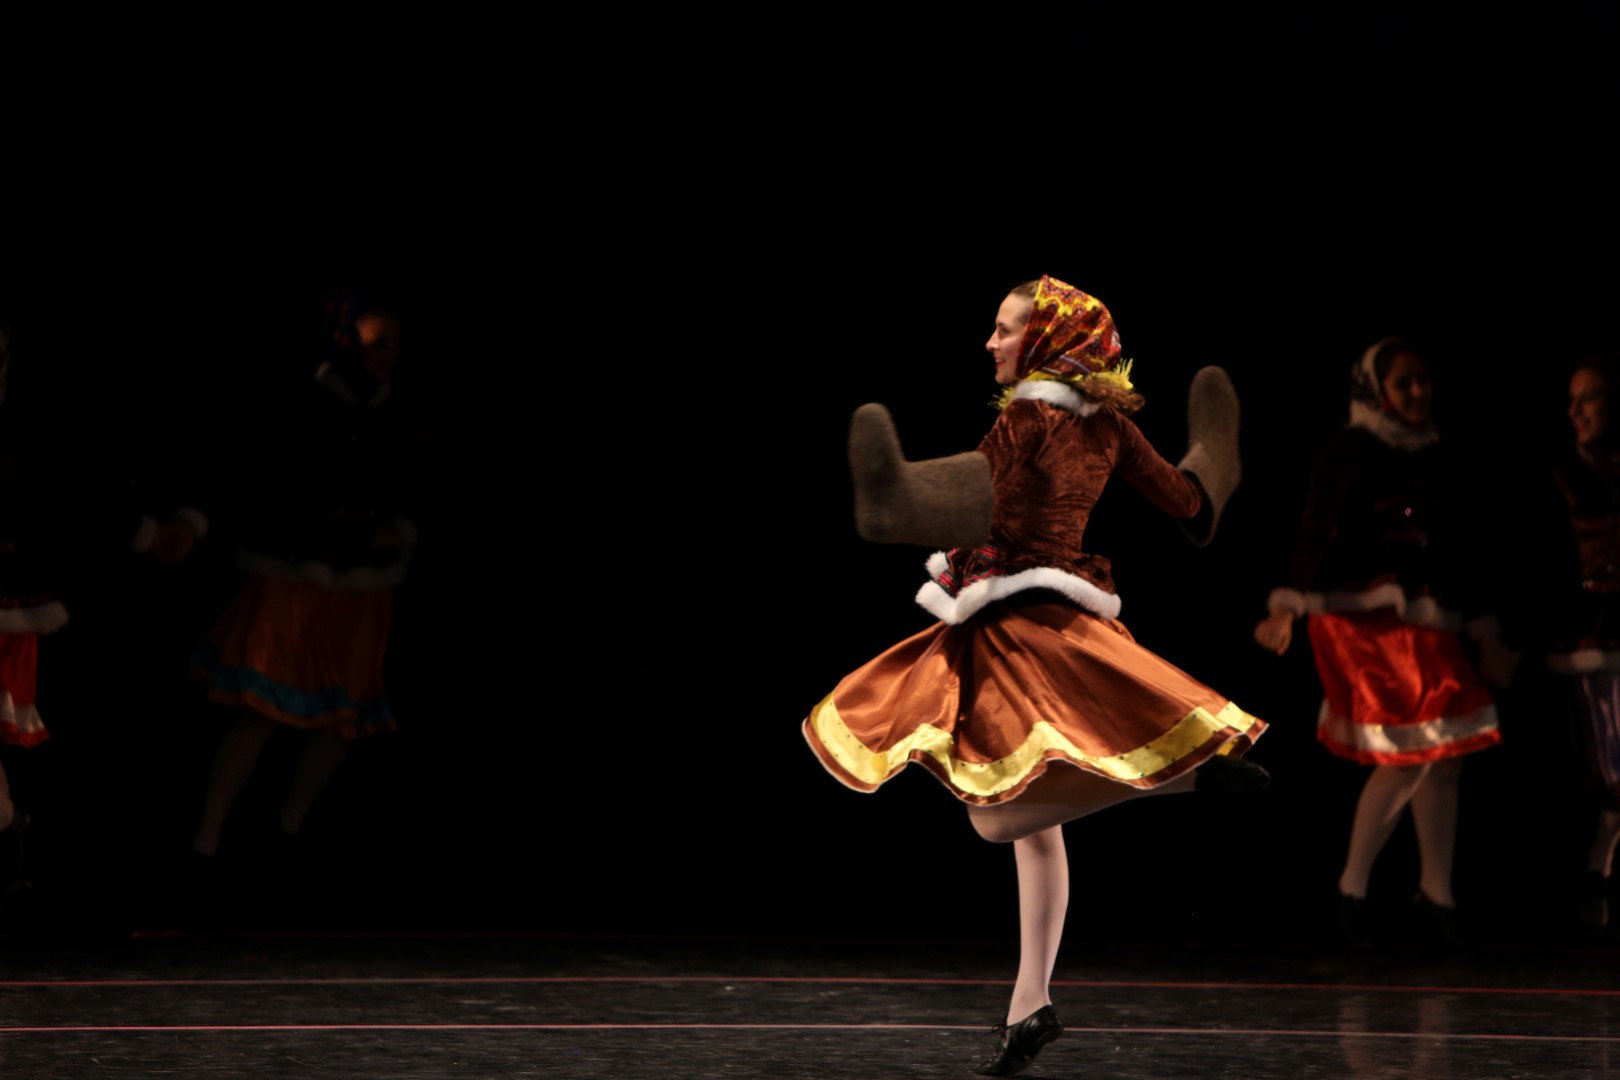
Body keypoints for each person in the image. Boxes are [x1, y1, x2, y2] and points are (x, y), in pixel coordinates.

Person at [803, 276, 1267, 1076]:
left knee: (994, 818)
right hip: (1068, 616)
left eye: (1005, 329)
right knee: (1033, 823)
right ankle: (1030, 1005)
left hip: (1018, 620)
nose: (990, 342)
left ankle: (1184, 778)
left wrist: (897, 495)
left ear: (1047, 342)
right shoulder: (1110, 426)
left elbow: (975, 487)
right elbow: (1189, 502)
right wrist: (1213, 465)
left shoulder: (1029, 414)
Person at [1252, 337, 1516, 947]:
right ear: (1376, 390)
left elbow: (1460, 548)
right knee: (1411, 751)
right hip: (1362, 620)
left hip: (1423, 621)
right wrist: (1287, 605)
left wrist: (1485, 630)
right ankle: (1352, 890)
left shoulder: (1437, 452)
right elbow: (1316, 531)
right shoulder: (1349, 448)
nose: (1418, 393)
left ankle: (1437, 893)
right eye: (1404, 383)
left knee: (1446, 754)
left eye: (1423, 380)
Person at [188, 291, 420, 864]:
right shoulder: (307, 406)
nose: (389, 355)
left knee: (343, 717)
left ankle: (288, 830)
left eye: (395, 344)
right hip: (296, 575)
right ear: (346, 344)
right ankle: (208, 835)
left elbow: (414, 485)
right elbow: (272, 486)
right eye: (377, 343)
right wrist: (341, 530)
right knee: (262, 707)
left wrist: (395, 529)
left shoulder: (397, 414)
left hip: (362, 587)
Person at [1545, 353, 1620, 931]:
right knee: (1609, 771)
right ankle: (1594, 873)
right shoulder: (1563, 474)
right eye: (1571, 400)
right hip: (1594, 632)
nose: (1575, 411)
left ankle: (1599, 873)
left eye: (1588, 398)